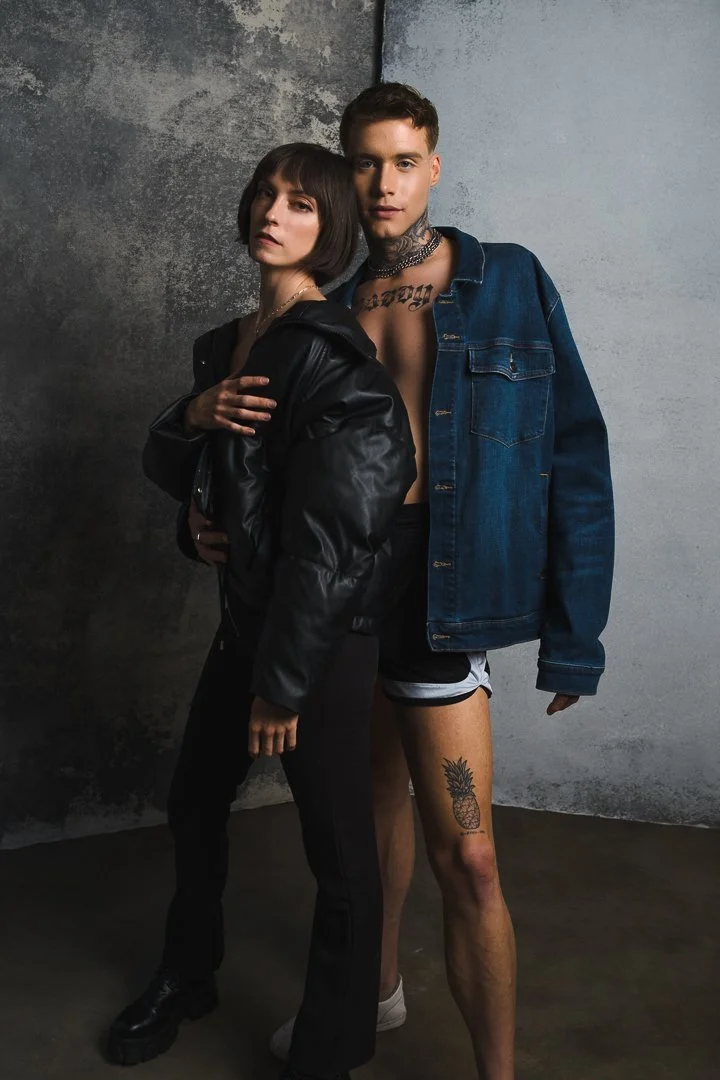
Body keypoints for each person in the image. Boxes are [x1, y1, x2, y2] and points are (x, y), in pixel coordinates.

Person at [205, 86, 611, 1080]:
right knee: (364, 827)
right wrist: (201, 507)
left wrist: (575, 635)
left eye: (402, 161)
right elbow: (262, 465)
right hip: (339, 583)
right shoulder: (324, 302)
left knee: (466, 855)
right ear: (345, 171)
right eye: (363, 162)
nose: (383, 183)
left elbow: (575, 450)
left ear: (433, 167)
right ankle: (373, 994)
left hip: (445, 582)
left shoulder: (506, 279)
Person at [105, 142, 416, 1080]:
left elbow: (333, 539)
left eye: (301, 204)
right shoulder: (229, 342)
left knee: (339, 852)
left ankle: (331, 1049)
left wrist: (283, 683)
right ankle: (188, 975)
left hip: (320, 638)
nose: (273, 214)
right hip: (248, 617)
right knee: (196, 801)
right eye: (265, 195)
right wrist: (192, 431)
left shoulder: (333, 355)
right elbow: (212, 481)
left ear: (332, 229)